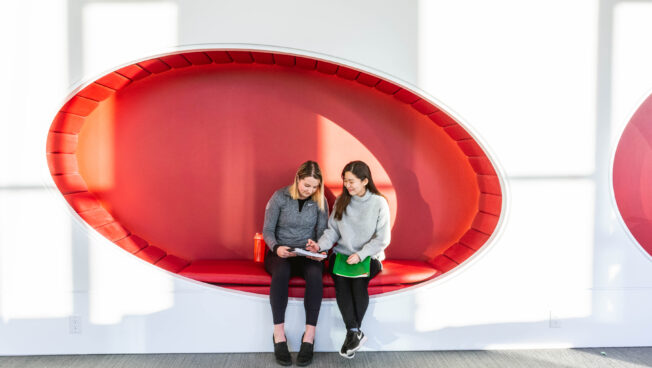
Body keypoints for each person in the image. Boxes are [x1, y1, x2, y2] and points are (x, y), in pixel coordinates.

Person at [309, 160, 391, 359]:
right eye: (345, 181)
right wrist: (319, 246)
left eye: (352, 181)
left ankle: (352, 333)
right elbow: (333, 232)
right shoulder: (342, 201)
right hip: (343, 255)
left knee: (358, 282)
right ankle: (354, 333)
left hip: (369, 257)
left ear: (365, 181)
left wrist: (361, 254)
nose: (348, 185)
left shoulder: (379, 202)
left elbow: (382, 238)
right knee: (341, 282)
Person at [263, 160, 329, 366]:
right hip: (281, 252)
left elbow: (322, 232)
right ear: (298, 179)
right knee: (281, 273)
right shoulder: (279, 197)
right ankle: (278, 335)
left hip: (306, 254)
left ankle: (309, 336)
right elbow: (267, 231)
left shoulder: (320, 201)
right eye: (306, 185)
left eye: (314, 186)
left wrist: (316, 246)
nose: (310, 190)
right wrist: (276, 248)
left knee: (315, 275)